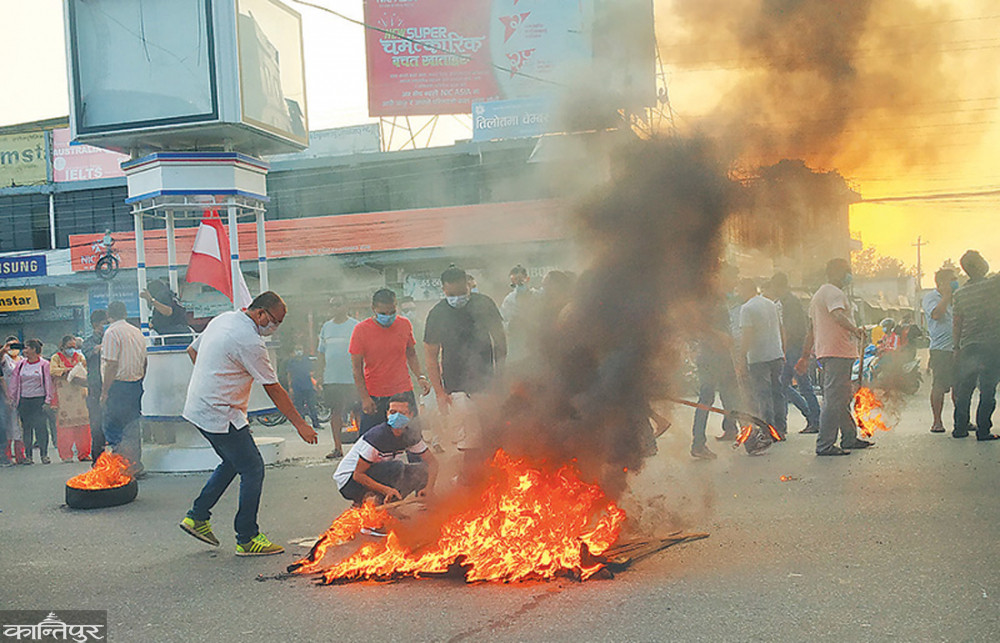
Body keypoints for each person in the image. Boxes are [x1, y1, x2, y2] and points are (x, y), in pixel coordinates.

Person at [180, 291, 318, 556]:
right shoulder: (250, 341)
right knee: (253, 468)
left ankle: (197, 516)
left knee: (233, 462)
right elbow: (274, 388)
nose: (275, 327)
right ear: (260, 313)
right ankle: (247, 537)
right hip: (220, 413)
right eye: (275, 321)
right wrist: (300, 424)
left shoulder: (223, 319)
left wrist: (213, 378)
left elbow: (192, 350)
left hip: (199, 408)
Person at [424, 266, 506, 481]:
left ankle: (491, 478)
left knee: (491, 433)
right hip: (456, 387)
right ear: (443, 290)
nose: (457, 298)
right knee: (469, 440)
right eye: (452, 294)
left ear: (468, 285)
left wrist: (500, 377)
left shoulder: (484, 304)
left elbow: (500, 342)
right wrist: (440, 393)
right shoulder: (437, 314)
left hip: (486, 382)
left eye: (462, 292)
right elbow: (431, 356)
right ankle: (470, 480)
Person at [797, 258, 871, 456]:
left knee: (840, 397)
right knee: (833, 400)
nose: (849, 275)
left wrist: (805, 355)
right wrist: (855, 330)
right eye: (846, 271)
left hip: (828, 352)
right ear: (836, 272)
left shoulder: (819, 295)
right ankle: (825, 444)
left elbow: (811, 330)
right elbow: (838, 315)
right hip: (838, 352)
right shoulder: (834, 293)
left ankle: (849, 437)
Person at [349, 288, 431, 433]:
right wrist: (365, 398)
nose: (388, 316)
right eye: (383, 313)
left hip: (403, 392)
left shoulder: (404, 324)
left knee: (411, 437)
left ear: (396, 306)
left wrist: (420, 376)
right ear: (373, 309)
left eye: (392, 312)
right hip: (375, 395)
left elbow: (411, 354)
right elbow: (356, 368)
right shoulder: (361, 330)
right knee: (371, 439)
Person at [334, 394, 437, 506]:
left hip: (373, 473)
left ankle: (388, 504)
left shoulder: (410, 435)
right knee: (396, 467)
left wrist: (429, 488)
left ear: (410, 415)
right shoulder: (377, 436)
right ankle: (370, 501)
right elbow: (358, 475)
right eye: (393, 412)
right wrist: (386, 490)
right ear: (387, 414)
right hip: (349, 482)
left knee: (420, 471)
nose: (397, 416)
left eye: (402, 413)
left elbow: (432, 463)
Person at [690, 264, 742, 459]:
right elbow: (697, 325)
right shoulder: (709, 300)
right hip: (711, 357)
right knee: (707, 399)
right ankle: (698, 443)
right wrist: (718, 335)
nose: (735, 282)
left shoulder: (718, 299)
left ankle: (733, 430)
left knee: (730, 395)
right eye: (733, 278)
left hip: (720, 356)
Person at [951, 250, 1000, 441]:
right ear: (980, 265)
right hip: (992, 345)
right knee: (987, 390)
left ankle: (960, 428)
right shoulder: (993, 284)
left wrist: (956, 347)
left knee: (965, 389)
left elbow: (957, 323)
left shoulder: (960, 293)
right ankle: (983, 430)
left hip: (968, 346)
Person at [768, 272, 820, 433]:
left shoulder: (790, 303)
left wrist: (783, 349)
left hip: (794, 349)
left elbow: (789, 330)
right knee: (783, 386)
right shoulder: (786, 302)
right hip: (792, 349)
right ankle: (792, 421)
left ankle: (815, 420)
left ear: (778, 286)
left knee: (803, 386)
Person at [735, 279, 787, 440]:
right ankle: (780, 429)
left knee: (763, 395)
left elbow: (747, 335)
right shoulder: (770, 304)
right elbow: (781, 328)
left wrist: (741, 357)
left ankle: (768, 431)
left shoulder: (746, 308)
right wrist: (782, 350)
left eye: (739, 289)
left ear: (746, 289)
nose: (738, 293)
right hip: (776, 354)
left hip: (758, 357)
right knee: (777, 393)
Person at [101, 300, 147, 468]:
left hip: (118, 387)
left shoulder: (111, 333)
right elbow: (145, 362)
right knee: (132, 426)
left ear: (108, 315)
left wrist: (105, 391)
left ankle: (121, 467)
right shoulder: (137, 332)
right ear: (125, 314)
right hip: (135, 384)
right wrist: (140, 380)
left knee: (114, 426)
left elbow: (111, 365)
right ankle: (135, 465)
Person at [6, 339, 56, 464]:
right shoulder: (21, 364)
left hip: (39, 400)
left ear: (34, 349)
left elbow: (48, 382)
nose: (25, 350)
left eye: (27, 348)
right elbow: (14, 382)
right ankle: (28, 456)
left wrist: (48, 400)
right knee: (26, 428)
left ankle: (44, 454)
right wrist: (12, 397)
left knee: (41, 427)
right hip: (24, 400)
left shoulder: (44, 364)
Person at [923, 268, 958, 433]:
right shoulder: (931, 297)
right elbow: (936, 314)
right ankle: (937, 421)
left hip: (957, 348)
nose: (955, 282)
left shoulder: (957, 298)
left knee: (959, 386)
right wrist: (946, 296)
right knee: (939, 385)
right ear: (942, 283)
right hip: (941, 350)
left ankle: (961, 420)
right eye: (952, 280)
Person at [49, 335, 92, 462]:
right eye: (69, 347)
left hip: (79, 395)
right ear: (62, 346)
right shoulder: (56, 358)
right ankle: (66, 455)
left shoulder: (79, 357)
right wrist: (67, 370)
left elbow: (86, 370)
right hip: (64, 396)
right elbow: (53, 371)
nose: (72, 349)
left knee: (83, 426)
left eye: (74, 347)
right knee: (65, 427)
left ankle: (84, 453)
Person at [81, 309, 107, 465]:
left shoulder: (113, 338)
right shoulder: (88, 342)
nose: (107, 326)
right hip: (95, 388)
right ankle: (98, 460)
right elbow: (90, 352)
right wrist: (103, 346)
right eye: (104, 323)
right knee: (97, 425)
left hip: (112, 386)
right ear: (95, 324)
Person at [500, 265, 534, 362]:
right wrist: (511, 325)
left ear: (527, 279)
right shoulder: (508, 301)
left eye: (520, 281)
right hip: (517, 347)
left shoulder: (538, 296)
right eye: (514, 283)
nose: (518, 285)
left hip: (536, 344)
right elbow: (502, 322)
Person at [1, 337, 27, 463]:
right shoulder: (5, 359)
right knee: (8, 425)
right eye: (11, 346)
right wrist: (4, 350)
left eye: (16, 346)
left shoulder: (22, 360)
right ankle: (7, 454)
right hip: (6, 394)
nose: (13, 349)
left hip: (20, 395)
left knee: (18, 426)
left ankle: (20, 455)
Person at [285, 342, 321, 431]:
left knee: (312, 406)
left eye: (300, 349)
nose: (299, 351)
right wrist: (290, 387)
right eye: (297, 349)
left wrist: (315, 384)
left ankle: (316, 423)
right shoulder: (291, 361)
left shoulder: (306, 360)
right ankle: (302, 425)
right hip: (297, 387)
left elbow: (312, 372)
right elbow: (289, 375)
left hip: (308, 386)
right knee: (299, 407)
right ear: (294, 351)